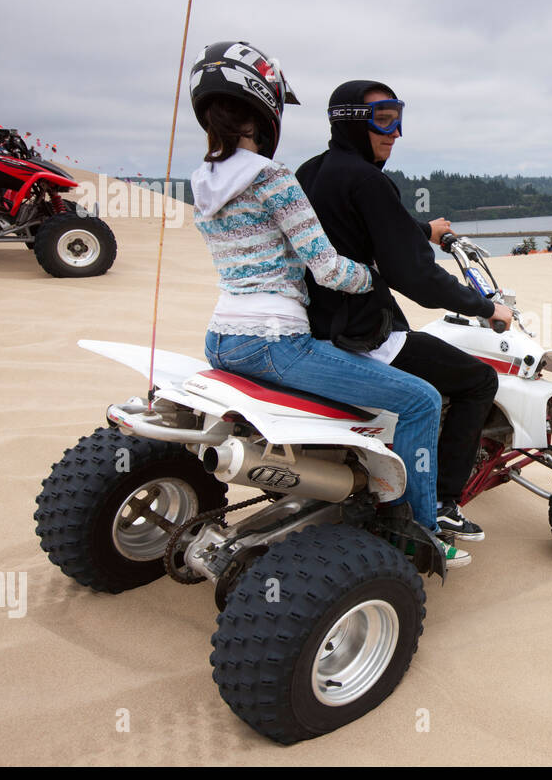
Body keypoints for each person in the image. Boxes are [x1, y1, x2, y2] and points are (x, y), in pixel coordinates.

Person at [186, 43, 467, 568]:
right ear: (265, 107)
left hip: (221, 337)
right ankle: (420, 532)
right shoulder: (272, 178)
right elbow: (329, 269)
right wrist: (377, 274)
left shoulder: (202, 182)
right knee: (424, 400)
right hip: (275, 341)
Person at [297, 79, 511, 543]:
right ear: (354, 122)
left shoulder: (311, 171)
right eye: (384, 120)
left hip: (311, 327)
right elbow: (415, 277)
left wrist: (424, 229)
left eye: (398, 120)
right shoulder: (369, 180)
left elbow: (358, 223)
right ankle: (440, 502)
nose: (395, 133)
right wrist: (484, 306)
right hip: (359, 332)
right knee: (478, 381)